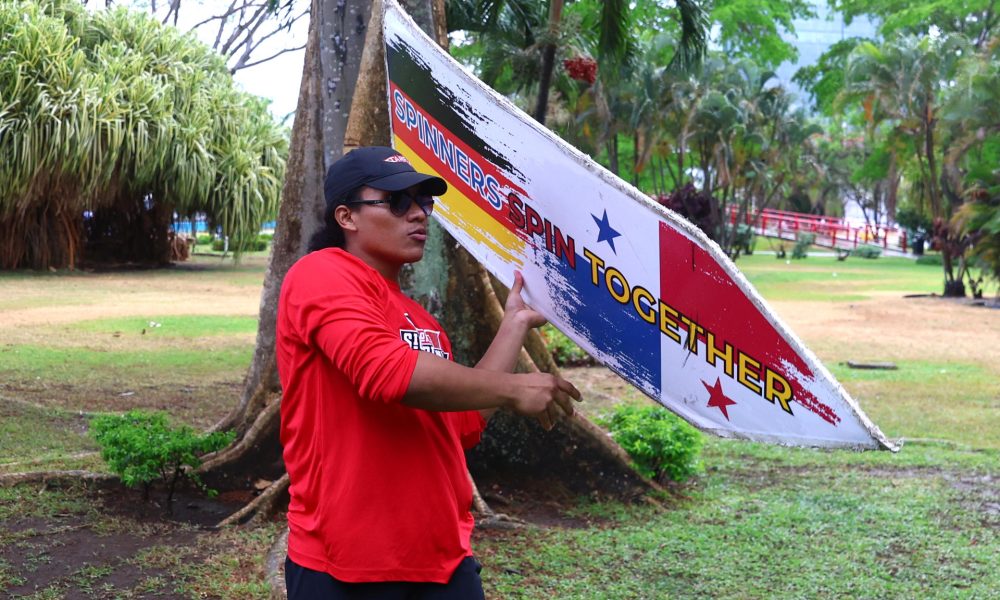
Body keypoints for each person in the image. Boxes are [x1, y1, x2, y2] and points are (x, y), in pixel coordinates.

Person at [277, 146, 581, 599]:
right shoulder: (319, 273)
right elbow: (382, 372)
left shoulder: (420, 320)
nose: (419, 215)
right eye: (399, 202)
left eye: (424, 202)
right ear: (347, 216)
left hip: (444, 561)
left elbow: (462, 422)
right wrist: (513, 388)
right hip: (347, 566)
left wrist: (514, 323)